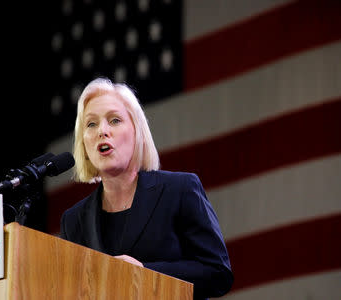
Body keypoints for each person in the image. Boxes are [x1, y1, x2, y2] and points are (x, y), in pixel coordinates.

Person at [60, 78, 233, 299]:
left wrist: (144, 273)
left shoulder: (179, 190)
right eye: (91, 124)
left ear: (137, 131)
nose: (102, 131)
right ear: (83, 143)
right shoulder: (73, 221)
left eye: (114, 120)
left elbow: (218, 274)